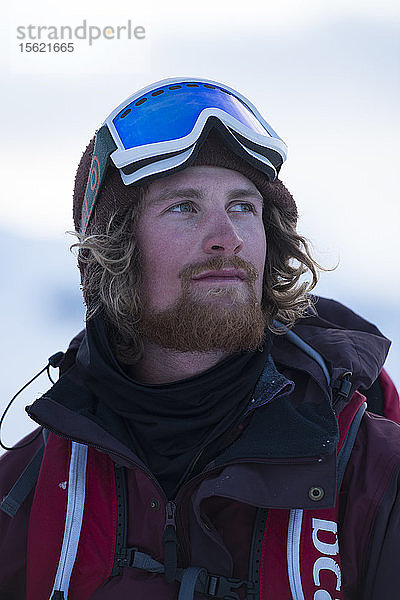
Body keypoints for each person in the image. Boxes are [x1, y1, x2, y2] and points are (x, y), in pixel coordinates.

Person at [0, 77, 399, 600]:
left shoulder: (373, 473)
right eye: (184, 207)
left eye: (242, 207)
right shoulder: (22, 493)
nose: (227, 238)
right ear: (115, 251)